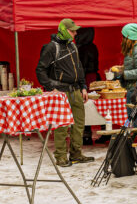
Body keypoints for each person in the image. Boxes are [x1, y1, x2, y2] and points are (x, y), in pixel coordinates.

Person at [36, 18, 94, 167]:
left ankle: (76, 154)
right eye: (72, 30)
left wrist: (83, 86)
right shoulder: (50, 47)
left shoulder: (73, 46)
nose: (75, 33)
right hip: (60, 92)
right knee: (61, 126)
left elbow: (79, 68)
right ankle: (61, 156)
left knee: (79, 124)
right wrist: (50, 87)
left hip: (75, 91)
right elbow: (40, 70)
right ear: (63, 30)